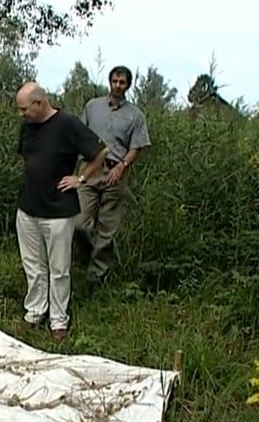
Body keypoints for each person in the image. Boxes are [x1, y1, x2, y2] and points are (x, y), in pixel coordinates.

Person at [15, 82, 108, 340]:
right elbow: (26, 157)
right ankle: (35, 312)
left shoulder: (67, 124)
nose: (21, 114)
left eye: (24, 109)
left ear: (39, 103)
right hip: (28, 208)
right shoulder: (27, 127)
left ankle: (58, 321)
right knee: (33, 265)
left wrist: (80, 178)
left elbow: (99, 152)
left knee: (59, 269)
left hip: (58, 211)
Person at [76, 66, 151, 283]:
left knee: (107, 229)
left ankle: (96, 278)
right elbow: (81, 135)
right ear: (110, 81)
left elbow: (137, 146)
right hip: (90, 169)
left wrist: (122, 166)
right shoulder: (92, 107)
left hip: (115, 171)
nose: (118, 86)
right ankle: (85, 258)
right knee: (79, 223)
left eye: (123, 82)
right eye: (115, 81)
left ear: (128, 85)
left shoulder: (135, 115)